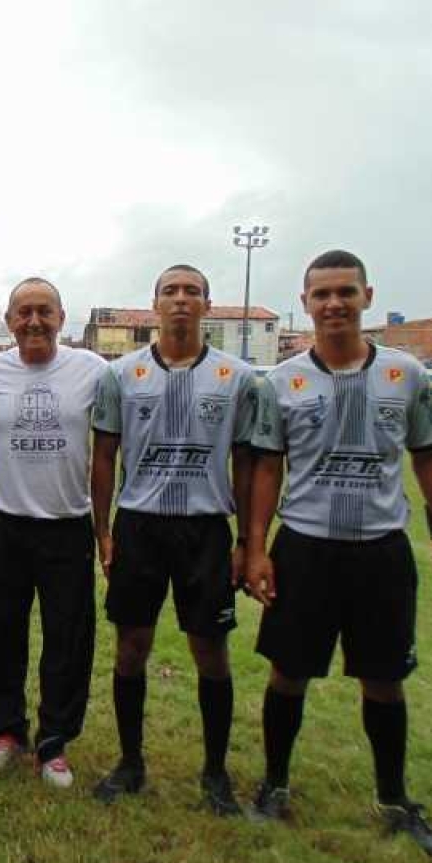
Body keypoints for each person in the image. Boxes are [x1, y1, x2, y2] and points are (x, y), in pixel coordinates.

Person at [246, 249, 432, 858]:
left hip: (380, 553)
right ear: (306, 302)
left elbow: (428, 456)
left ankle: (394, 798)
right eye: (322, 294)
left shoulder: (406, 374)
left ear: (367, 296)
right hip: (306, 551)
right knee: (288, 673)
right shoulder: (282, 381)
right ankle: (274, 785)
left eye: (346, 291)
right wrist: (256, 549)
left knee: (385, 680)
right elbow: (266, 467)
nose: (334, 303)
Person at [91, 264, 256, 815]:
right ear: (155, 303)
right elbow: (104, 457)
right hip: (140, 525)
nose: (181, 299)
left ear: (207, 304)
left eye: (192, 292)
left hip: (205, 529)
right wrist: (104, 531)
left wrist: (246, 544)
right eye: (171, 291)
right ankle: (130, 762)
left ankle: (214, 773)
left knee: (210, 650)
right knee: (131, 645)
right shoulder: (121, 375)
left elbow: (249, 462)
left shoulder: (237, 378)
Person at [0, 278, 109, 787]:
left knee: (68, 638)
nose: (33, 322)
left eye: (43, 311)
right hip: (4, 523)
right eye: (23, 312)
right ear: (8, 322)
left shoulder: (92, 370)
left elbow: (114, 442)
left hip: (68, 524)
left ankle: (53, 743)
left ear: (62, 317)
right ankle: (6, 731)